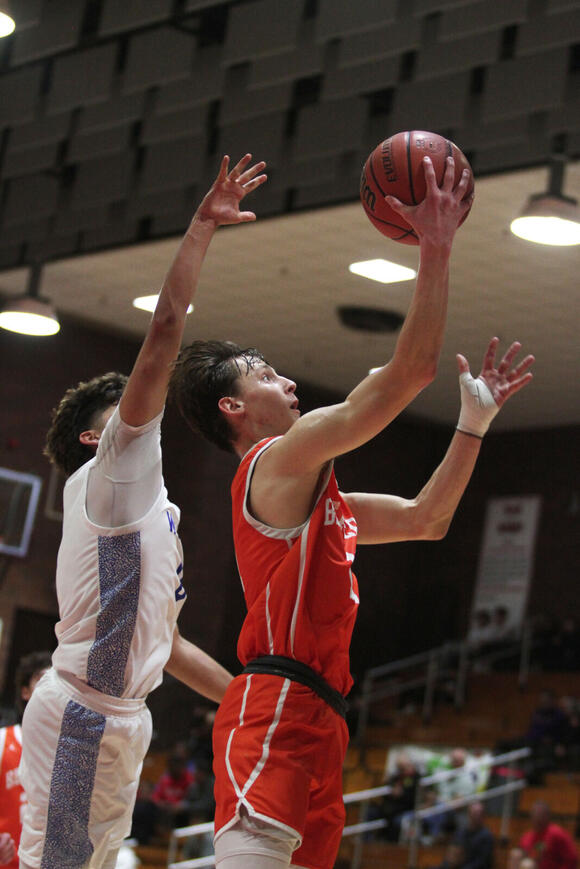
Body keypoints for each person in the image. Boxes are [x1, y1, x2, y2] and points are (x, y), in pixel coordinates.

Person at [169, 155, 534, 869]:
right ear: (234, 407)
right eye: (267, 374)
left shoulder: (324, 504)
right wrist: (434, 247)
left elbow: (428, 518)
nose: (289, 378)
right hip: (273, 704)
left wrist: (472, 428)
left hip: (325, 716)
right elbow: (407, 374)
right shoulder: (270, 466)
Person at [18, 153, 267, 869]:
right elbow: (164, 330)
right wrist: (202, 226)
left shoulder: (148, 509)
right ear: (99, 438)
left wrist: (247, 698)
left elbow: (169, 642)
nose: (143, 408)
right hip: (86, 710)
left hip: (122, 714)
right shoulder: (112, 475)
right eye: (125, 407)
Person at [0, 652, 52, 868]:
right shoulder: (3, 740)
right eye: (43, 680)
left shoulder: (73, 755)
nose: (51, 690)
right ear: (25, 691)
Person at [519, 801, 578, 869]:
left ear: (548, 816)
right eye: (535, 815)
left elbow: (572, 858)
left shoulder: (557, 834)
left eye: (541, 815)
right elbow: (528, 858)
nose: (537, 818)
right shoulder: (526, 838)